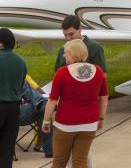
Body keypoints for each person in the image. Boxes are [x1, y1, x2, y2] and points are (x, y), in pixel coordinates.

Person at [42, 39, 108, 168]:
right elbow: (104, 96)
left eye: (66, 52)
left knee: (59, 162)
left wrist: (45, 121)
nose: (64, 55)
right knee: (80, 162)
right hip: (89, 124)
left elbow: (52, 100)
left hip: (66, 124)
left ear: (74, 53)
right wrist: (101, 118)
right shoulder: (98, 71)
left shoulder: (62, 72)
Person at [0, 28, 27, 168]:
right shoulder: (21, 62)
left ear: (1, 44)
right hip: (14, 109)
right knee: (7, 151)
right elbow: (21, 86)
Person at [19, 75, 52, 157]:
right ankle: (48, 149)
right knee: (43, 109)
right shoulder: (15, 75)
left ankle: (41, 104)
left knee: (42, 108)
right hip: (10, 115)